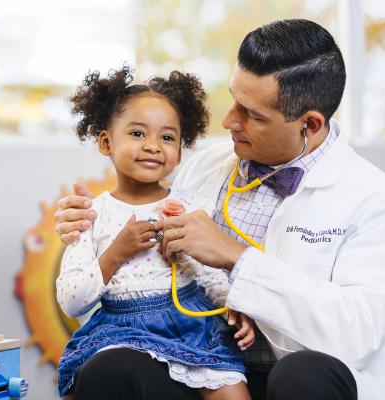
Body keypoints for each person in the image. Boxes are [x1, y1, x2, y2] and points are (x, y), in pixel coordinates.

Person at [55, 19, 385, 400]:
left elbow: (355, 334)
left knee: (303, 375)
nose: (229, 120)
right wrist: (84, 221)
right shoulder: (204, 166)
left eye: (253, 115)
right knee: (111, 370)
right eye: (233, 99)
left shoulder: (379, 201)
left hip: (309, 375)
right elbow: (145, 220)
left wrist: (236, 257)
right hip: (209, 358)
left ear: (309, 124)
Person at [56, 65, 256, 400]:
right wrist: (116, 252)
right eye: (137, 134)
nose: (152, 146)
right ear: (106, 142)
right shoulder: (91, 215)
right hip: (122, 330)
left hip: (193, 327)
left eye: (167, 137)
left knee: (233, 391)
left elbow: (210, 271)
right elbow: (71, 300)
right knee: (94, 380)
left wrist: (233, 306)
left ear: (179, 152)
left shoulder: (187, 206)